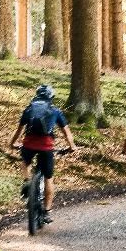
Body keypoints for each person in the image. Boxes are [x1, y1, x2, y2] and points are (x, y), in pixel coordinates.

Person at [9, 84, 76, 222]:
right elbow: (67, 133)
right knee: (48, 178)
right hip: (46, 147)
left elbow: (19, 131)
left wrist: (12, 143)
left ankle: (27, 181)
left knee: (25, 161)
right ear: (51, 97)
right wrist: (72, 147)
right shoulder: (55, 110)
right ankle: (46, 212)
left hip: (29, 144)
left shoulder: (29, 109)